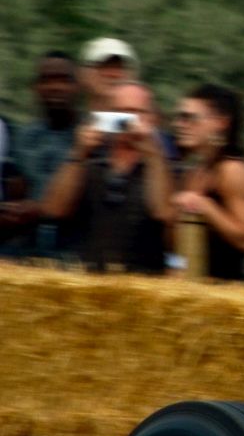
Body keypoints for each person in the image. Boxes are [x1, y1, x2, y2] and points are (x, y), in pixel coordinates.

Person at [39, 80, 174, 273]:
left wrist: (153, 155)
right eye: (120, 112)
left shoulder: (163, 164)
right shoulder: (88, 160)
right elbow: (53, 210)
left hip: (143, 283)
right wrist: (79, 152)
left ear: (153, 119)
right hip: (87, 279)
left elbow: (164, 214)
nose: (128, 120)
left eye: (137, 112)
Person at [168, 83, 244, 281]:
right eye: (179, 117)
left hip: (228, 294)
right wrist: (174, 266)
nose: (180, 125)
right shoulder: (193, 173)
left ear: (221, 123)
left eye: (190, 118)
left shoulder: (232, 170)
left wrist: (207, 207)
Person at [0, 53, 81, 259]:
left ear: (76, 86)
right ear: (36, 87)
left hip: (74, 247)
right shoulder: (23, 137)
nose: (55, 87)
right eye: (47, 80)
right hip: (24, 246)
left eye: (63, 79)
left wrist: (40, 209)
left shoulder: (91, 137)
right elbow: (16, 191)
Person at [77, 38, 139, 114]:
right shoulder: (69, 123)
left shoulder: (147, 124)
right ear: (84, 73)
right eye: (103, 66)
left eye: (120, 68)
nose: (113, 74)